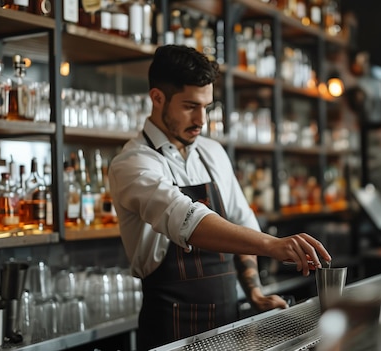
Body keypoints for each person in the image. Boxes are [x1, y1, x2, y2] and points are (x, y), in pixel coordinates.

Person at [109, 44, 332, 351]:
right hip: (172, 331)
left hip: (228, 326)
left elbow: (241, 222)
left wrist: (254, 290)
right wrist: (271, 244)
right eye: (190, 106)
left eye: (207, 107)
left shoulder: (212, 152)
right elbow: (186, 219)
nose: (202, 119)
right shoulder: (134, 163)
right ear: (157, 98)